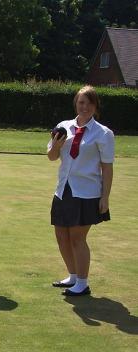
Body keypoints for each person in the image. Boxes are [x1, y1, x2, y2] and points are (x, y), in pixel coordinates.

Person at [47, 85, 114, 296]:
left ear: (95, 106)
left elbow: (107, 167)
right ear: (76, 103)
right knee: (61, 236)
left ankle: (83, 283)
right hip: (63, 189)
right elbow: (51, 156)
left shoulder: (103, 133)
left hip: (87, 192)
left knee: (77, 237)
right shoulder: (63, 127)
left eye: (89, 103)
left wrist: (105, 197)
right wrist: (57, 145)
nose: (84, 106)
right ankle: (73, 276)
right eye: (81, 102)